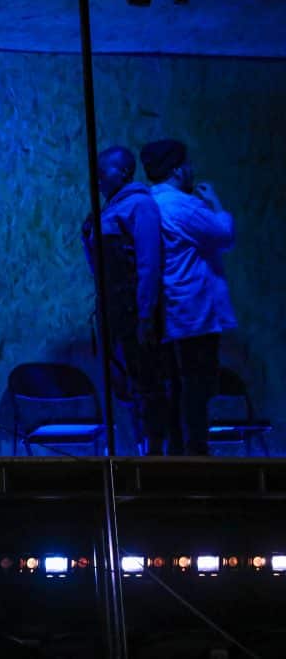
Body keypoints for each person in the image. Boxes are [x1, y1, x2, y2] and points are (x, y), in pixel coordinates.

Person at [141, 139, 236, 456]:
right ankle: (197, 452)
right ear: (178, 169)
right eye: (188, 163)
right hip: (195, 310)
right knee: (198, 383)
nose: (192, 169)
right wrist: (216, 202)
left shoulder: (149, 202)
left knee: (176, 384)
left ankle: (176, 451)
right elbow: (224, 235)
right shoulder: (183, 205)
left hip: (169, 310)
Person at [81, 145, 172, 454]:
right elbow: (99, 268)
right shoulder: (108, 209)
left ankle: (156, 451)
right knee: (125, 381)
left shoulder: (139, 205)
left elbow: (149, 263)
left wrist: (146, 314)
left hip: (134, 307)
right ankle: (136, 447)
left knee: (147, 379)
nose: (97, 179)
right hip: (114, 307)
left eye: (102, 171)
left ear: (122, 171)